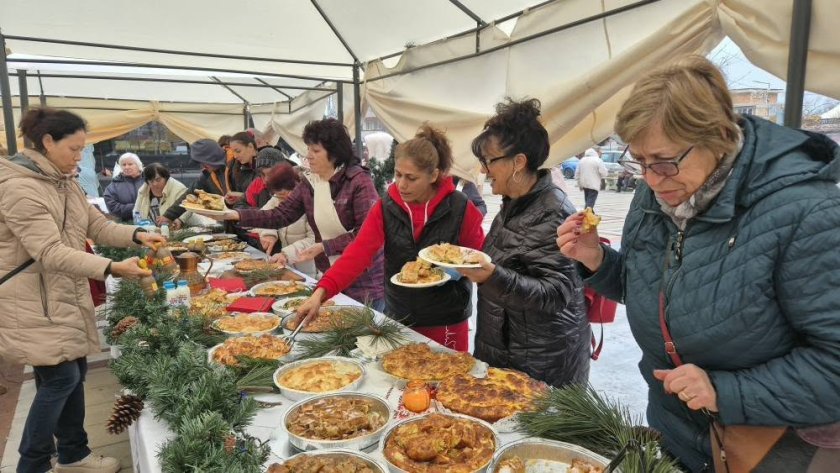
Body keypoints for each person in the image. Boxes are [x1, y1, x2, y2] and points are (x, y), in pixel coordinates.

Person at [557, 56, 840, 472]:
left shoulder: (807, 212)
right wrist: (596, 259)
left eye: (666, 161)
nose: (652, 179)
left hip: (766, 448)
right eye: (640, 162)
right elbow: (654, 289)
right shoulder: (655, 193)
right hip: (676, 429)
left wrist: (725, 391)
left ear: (719, 137)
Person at [0, 108, 165, 473]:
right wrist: (111, 268)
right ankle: (33, 464)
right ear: (47, 142)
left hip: (60, 293)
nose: (79, 157)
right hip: (33, 300)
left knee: (71, 373)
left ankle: (74, 454)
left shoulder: (62, 181)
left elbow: (98, 226)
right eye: (74, 149)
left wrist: (137, 236)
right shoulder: (19, 187)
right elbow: (49, 251)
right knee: (60, 379)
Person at [296, 125, 485, 351]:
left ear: (433, 175)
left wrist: (454, 270)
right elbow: (358, 253)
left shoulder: (461, 207)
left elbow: (479, 259)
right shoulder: (387, 206)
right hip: (400, 315)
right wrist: (321, 292)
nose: (401, 184)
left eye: (411, 178)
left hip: (446, 316)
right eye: (398, 174)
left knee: (450, 380)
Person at [459, 98, 590, 387]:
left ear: (518, 162)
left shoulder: (554, 213)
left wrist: (493, 276)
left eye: (489, 161)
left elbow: (555, 294)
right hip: (505, 353)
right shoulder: (513, 204)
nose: (482, 170)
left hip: (541, 366)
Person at [213, 118, 385, 308]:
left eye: (316, 151)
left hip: (363, 282)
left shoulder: (358, 182)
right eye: (308, 149)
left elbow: (367, 235)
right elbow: (280, 215)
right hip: (329, 273)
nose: (309, 155)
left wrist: (325, 246)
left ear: (335, 154)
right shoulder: (310, 182)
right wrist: (233, 215)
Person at [256, 164, 317, 278]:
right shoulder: (277, 198)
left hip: (312, 267)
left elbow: (315, 239)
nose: (283, 200)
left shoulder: (312, 201)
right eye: (278, 195)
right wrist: (269, 233)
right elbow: (263, 217)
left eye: (284, 195)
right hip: (288, 266)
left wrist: (286, 254)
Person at [159, 139, 229, 230]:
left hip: (244, 222)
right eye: (200, 163)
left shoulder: (234, 167)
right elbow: (189, 194)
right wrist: (168, 216)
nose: (202, 166)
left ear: (212, 157)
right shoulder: (207, 175)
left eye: (204, 162)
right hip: (227, 223)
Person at [103, 152, 143, 221]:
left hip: (150, 222)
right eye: (124, 165)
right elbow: (112, 207)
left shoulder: (148, 180)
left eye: (130, 164)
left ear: (138, 165)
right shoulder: (114, 185)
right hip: (126, 224)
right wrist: (136, 207)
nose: (126, 167)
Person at [225, 131, 259, 207]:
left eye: (238, 151)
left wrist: (241, 196)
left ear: (250, 146)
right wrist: (232, 201)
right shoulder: (239, 169)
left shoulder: (265, 166)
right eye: (233, 152)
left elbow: (265, 198)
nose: (235, 156)